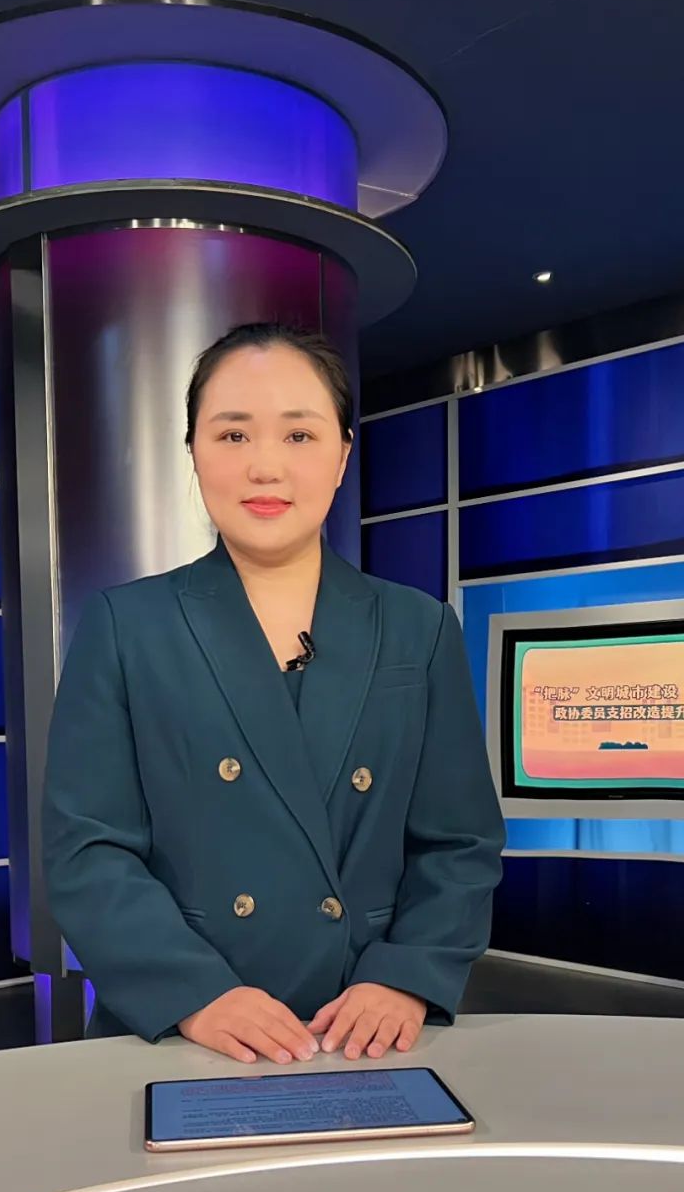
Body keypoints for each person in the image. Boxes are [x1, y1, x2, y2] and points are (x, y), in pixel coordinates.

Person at [42, 322, 505, 1065]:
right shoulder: (127, 625)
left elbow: (460, 841)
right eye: (232, 435)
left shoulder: (418, 628)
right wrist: (194, 992)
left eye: (299, 435)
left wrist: (407, 973)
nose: (265, 467)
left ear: (342, 454)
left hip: (365, 1030)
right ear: (193, 452)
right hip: (182, 1030)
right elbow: (87, 848)